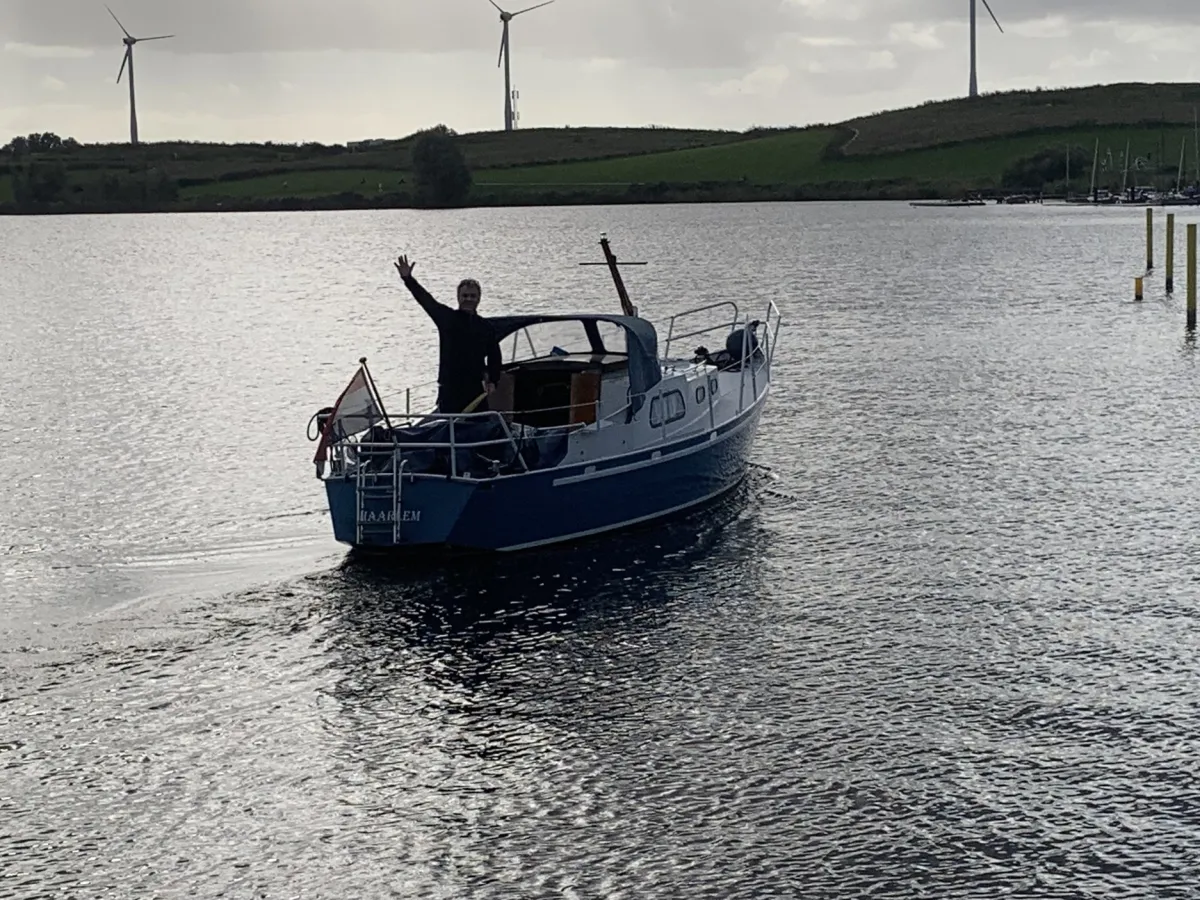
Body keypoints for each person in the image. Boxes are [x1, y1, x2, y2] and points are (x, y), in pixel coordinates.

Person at [394, 254, 503, 414]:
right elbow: (426, 300)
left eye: (473, 296)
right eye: (465, 296)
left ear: (479, 298)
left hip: (474, 391)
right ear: (458, 297)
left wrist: (493, 380)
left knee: (479, 427)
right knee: (449, 429)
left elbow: (495, 357)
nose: (468, 299)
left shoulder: (486, 327)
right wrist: (408, 279)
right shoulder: (447, 318)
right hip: (450, 390)